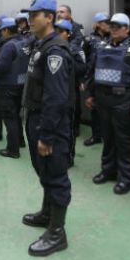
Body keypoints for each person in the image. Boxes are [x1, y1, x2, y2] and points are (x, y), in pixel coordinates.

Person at [20, 0, 74, 257]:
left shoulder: (56, 51)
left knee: (56, 176)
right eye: (29, 15)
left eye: (35, 15)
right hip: (35, 118)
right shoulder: (40, 44)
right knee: (43, 170)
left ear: (50, 17)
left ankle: (57, 232)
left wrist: (47, 136)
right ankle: (47, 213)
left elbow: (56, 98)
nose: (30, 20)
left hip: (49, 123)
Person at [85, 13, 130, 194]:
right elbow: (92, 71)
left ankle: (127, 178)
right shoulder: (101, 46)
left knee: (125, 141)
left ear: (127, 29)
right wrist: (91, 94)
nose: (114, 29)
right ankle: (108, 171)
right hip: (103, 100)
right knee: (108, 138)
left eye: (119, 26)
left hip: (124, 101)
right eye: (112, 25)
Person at [0, 17, 30, 158]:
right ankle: (20, 141)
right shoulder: (24, 42)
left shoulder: (8, 46)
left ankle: (12, 149)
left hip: (7, 86)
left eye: (2, 30)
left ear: (7, 30)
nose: (1, 34)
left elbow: (1, 67)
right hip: (20, 84)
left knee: (10, 118)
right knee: (17, 116)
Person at [54, 19, 87, 166]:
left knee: (69, 127)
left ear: (68, 34)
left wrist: (67, 59)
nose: (57, 34)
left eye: (61, 31)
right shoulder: (51, 47)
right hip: (54, 93)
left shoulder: (75, 49)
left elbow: (82, 68)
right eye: (56, 30)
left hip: (69, 93)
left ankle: (69, 156)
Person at [81, 12, 110, 146]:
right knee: (94, 108)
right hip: (93, 79)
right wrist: (84, 80)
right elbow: (83, 59)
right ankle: (96, 135)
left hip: (108, 78)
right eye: (106, 23)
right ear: (98, 24)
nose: (109, 25)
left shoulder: (112, 39)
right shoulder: (89, 39)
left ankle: (108, 136)